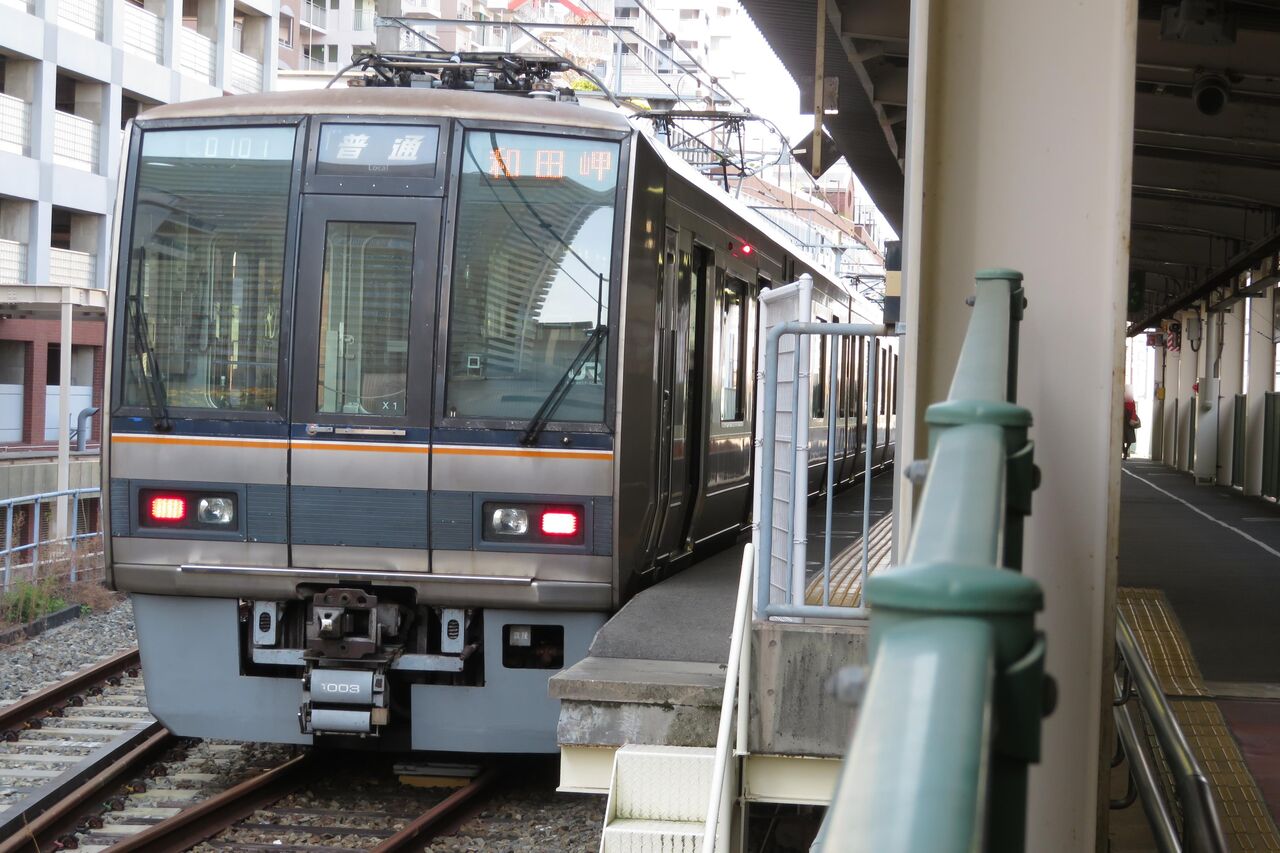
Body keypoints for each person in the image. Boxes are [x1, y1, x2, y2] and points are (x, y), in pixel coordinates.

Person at [1123, 386, 1140, 459]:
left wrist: (1133, 419)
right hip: (1123, 419)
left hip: (1129, 419)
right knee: (1122, 438)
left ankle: (1125, 451)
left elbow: (1133, 410)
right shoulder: (1122, 398)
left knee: (1130, 438)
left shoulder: (1132, 400)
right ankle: (1125, 452)